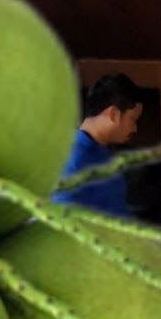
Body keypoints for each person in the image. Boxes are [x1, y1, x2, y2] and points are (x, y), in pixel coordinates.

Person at [52, 72, 143, 216]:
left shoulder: (102, 155)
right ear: (114, 114)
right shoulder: (72, 159)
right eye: (133, 119)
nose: (135, 128)